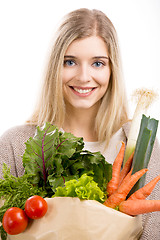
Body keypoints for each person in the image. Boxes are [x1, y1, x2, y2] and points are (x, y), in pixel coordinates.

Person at [0, 8, 160, 239]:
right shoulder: (13, 145)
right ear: (54, 67)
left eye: (97, 63)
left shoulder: (148, 153)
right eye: (70, 62)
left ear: (112, 70)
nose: (84, 76)